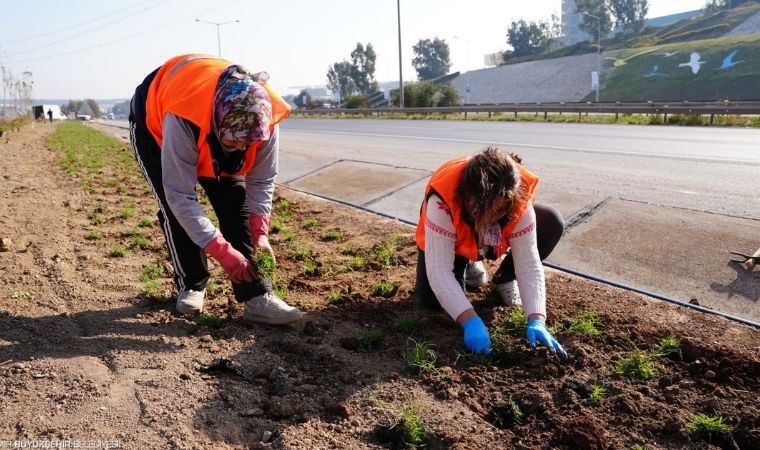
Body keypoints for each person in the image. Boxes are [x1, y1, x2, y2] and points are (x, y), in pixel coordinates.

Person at [128, 54, 303, 324]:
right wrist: (224, 253)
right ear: (216, 124)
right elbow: (181, 196)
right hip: (155, 126)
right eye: (234, 143)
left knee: (235, 203)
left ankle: (258, 296)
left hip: (212, 122)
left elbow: (262, 180)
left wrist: (261, 234)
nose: (243, 150)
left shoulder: (263, 117)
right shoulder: (184, 117)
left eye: (248, 143)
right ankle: (192, 284)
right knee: (175, 210)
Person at [415, 147, 567, 358]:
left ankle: (504, 279)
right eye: (483, 210)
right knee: (432, 298)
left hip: (485, 237)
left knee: (551, 221)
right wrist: (469, 320)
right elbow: (439, 271)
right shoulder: (442, 200)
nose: (490, 218)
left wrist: (537, 318)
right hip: (453, 240)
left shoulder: (516, 197)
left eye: (499, 210)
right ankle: (467, 261)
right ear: (467, 196)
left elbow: (529, 264)